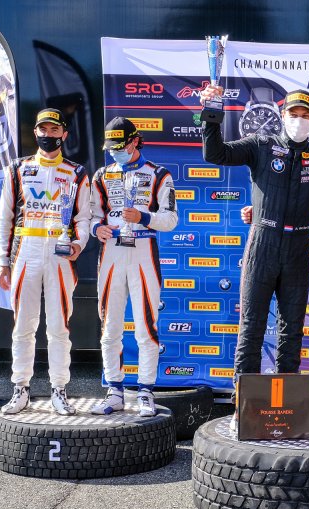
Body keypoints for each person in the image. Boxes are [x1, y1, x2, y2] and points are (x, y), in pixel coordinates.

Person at [200, 87, 309, 429]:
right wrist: (212, 113)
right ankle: (242, 408)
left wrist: (296, 213)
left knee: (292, 330)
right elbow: (215, 153)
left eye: (305, 115)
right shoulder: (260, 144)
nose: (299, 120)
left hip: (298, 245)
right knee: (252, 327)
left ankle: (287, 409)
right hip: (263, 242)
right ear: (282, 115)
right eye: (294, 114)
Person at [0, 108, 91, 416]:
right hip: (25, 253)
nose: (48, 135)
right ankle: (20, 388)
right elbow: (5, 217)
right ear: (35, 132)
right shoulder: (18, 168)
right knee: (23, 325)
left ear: (64, 134)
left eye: (54, 130)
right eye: (43, 130)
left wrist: (78, 243)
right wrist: (2, 261)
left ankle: (59, 389)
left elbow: (84, 217)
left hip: (60, 256)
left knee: (59, 326)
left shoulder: (77, 172)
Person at [89, 117, 179, 417]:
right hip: (111, 253)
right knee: (109, 326)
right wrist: (96, 229)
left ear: (135, 141)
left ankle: (145, 391)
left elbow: (170, 220)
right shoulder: (102, 175)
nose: (115, 151)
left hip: (143, 251)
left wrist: (143, 217)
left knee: (145, 327)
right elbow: (91, 216)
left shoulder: (159, 174)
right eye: (111, 147)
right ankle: (114, 390)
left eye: (120, 146)